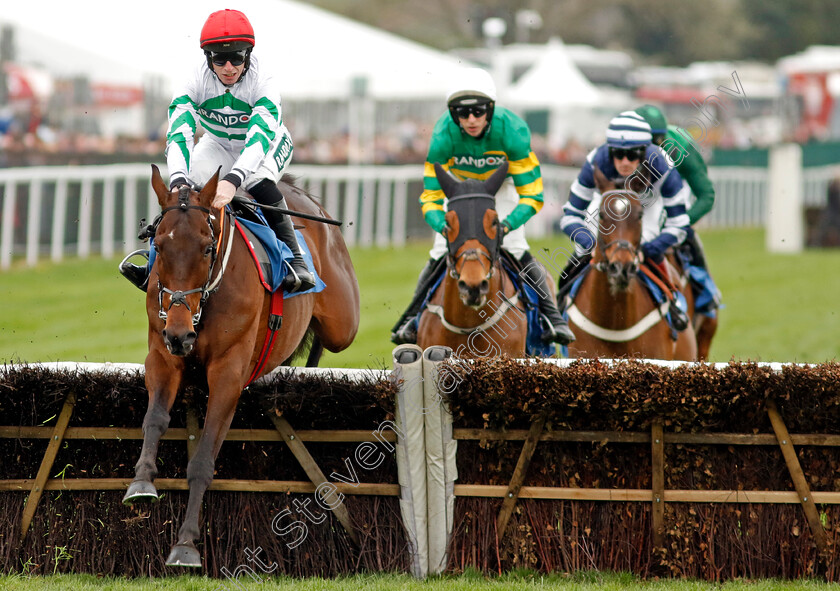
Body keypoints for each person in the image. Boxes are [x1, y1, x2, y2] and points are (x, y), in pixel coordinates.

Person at [119, 8, 315, 293]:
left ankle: (297, 260)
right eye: (219, 58)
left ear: (248, 54)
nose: (228, 67)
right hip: (218, 143)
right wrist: (178, 180)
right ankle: (151, 262)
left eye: (237, 57)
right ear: (207, 58)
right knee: (183, 195)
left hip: (268, 143)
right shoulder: (192, 79)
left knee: (254, 180)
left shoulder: (264, 81)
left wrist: (233, 180)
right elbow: (179, 134)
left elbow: (259, 139)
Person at [391, 68, 575, 346]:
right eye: (462, 114)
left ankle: (552, 318)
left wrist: (507, 225)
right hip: (459, 191)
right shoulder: (442, 134)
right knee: (440, 250)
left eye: (478, 112)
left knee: (514, 245)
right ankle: (410, 319)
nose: (471, 120)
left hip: (500, 191)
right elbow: (429, 197)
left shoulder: (512, 131)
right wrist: (442, 225)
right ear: (453, 115)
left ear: (490, 109)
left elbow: (532, 194)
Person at [555, 111, 691, 329]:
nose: (625, 161)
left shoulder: (662, 165)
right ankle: (558, 312)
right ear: (610, 151)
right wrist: (589, 242)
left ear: (645, 151)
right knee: (580, 254)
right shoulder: (595, 162)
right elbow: (570, 214)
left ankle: (674, 307)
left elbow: (679, 223)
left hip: (646, 209)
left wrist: (651, 248)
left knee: (652, 249)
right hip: (608, 208)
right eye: (618, 154)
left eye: (633, 154)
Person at [634, 104, 721, 316]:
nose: (654, 147)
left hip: (671, 197)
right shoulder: (621, 145)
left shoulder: (680, 146)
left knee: (689, 238)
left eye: (658, 141)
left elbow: (706, 195)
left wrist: (680, 222)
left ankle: (708, 297)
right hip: (636, 201)